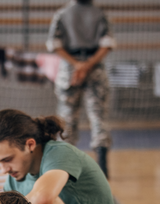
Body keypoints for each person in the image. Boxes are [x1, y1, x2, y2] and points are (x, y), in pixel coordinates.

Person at [47, 0, 116, 178]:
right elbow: (107, 44)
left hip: (70, 69)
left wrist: (78, 65)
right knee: (99, 116)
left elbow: (55, 45)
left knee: (66, 118)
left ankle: (66, 167)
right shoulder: (100, 13)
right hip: (96, 69)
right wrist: (88, 65)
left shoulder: (62, 14)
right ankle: (103, 168)